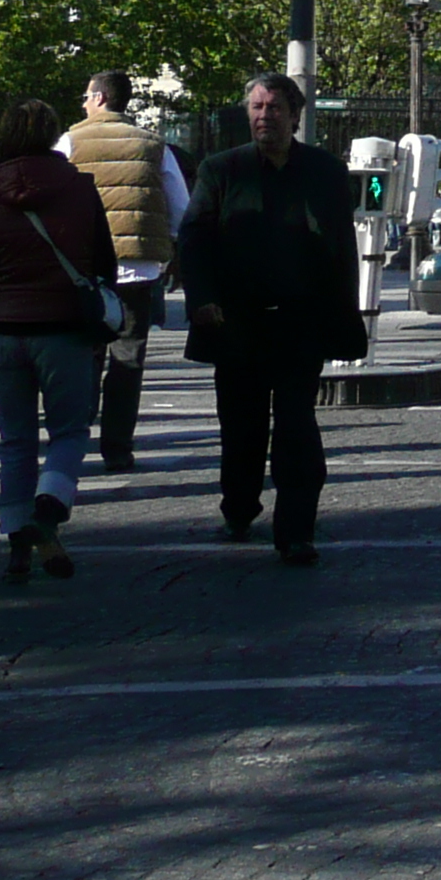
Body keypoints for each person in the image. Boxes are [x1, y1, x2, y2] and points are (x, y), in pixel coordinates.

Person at [177, 74, 360, 567]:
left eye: (274, 107)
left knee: (298, 426)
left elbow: (342, 246)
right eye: (257, 107)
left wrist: (344, 316)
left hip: (302, 321)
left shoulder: (323, 169)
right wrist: (202, 298)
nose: (264, 116)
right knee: (242, 427)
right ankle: (239, 507)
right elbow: (193, 238)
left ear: (294, 114)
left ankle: (296, 531)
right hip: (238, 323)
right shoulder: (222, 170)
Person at [0, 98, 118, 585]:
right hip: (63, 329)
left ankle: (18, 541)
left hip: (2, 331)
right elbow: (103, 261)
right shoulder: (79, 189)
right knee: (68, 430)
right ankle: (50, 507)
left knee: (15, 440)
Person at [58, 71, 189, 474]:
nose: (82, 103)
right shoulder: (154, 145)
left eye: (85, 96)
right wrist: (167, 248)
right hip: (138, 265)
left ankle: (75, 432)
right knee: (128, 356)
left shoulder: (71, 140)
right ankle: (118, 447)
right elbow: (180, 207)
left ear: (99, 98)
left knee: (84, 354)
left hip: (84, 267)